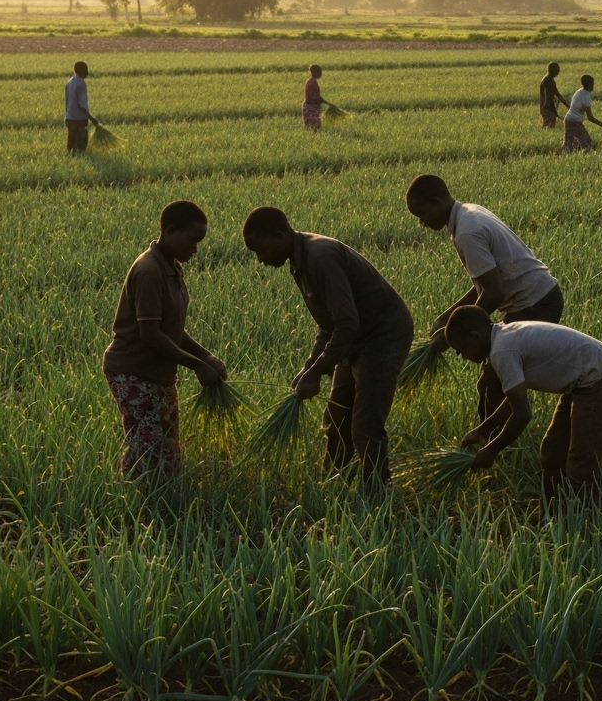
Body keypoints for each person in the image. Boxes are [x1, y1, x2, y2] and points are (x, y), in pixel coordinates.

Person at [242, 207, 413, 488]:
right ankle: (336, 483)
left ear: (279, 235)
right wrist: (309, 367)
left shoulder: (320, 257)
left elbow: (347, 324)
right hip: (355, 338)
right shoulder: (298, 262)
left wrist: (318, 370)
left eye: (260, 251)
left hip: (382, 336)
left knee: (365, 425)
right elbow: (328, 325)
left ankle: (377, 493)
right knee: (336, 417)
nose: (260, 260)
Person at [405, 174, 563, 419]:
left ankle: (492, 445)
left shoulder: (468, 231)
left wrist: (450, 336)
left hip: (534, 304)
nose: (421, 224)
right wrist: (445, 317)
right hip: (534, 299)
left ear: (436, 202)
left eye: (421, 215)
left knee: (493, 384)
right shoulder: (468, 213)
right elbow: (485, 283)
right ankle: (496, 440)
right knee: (495, 381)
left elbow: (493, 292)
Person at [444, 306, 602, 501]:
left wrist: (491, 451)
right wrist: (483, 430)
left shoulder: (502, 351)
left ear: (475, 336)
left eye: (461, 350)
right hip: (581, 384)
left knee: (583, 460)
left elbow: (522, 414)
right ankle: (555, 509)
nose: (463, 357)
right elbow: (513, 401)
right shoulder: (504, 335)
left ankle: (585, 519)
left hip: (600, 378)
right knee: (553, 452)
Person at [102, 201, 228, 478]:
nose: (196, 247)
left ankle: (162, 502)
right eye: (192, 240)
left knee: (165, 447)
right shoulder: (149, 271)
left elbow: (171, 330)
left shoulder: (171, 267)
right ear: (170, 231)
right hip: (133, 371)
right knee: (149, 448)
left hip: (159, 374)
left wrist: (206, 357)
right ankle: (141, 505)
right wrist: (197, 366)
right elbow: (150, 335)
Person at [562, 74, 602, 153]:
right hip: (574, 122)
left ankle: (563, 156)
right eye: (592, 84)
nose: (593, 86)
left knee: (569, 142)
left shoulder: (579, 91)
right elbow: (590, 117)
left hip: (568, 120)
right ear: (589, 85)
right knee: (586, 142)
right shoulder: (586, 96)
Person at [65, 60, 97, 153]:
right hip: (79, 120)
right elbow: (81, 104)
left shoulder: (69, 82)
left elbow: (67, 102)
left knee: (70, 146)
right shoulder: (81, 83)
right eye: (85, 70)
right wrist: (91, 118)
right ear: (80, 70)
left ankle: (71, 163)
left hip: (69, 118)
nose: (87, 72)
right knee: (80, 148)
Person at [539, 62, 570, 128]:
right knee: (548, 126)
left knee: (549, 126)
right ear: (551, 70)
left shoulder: (547, 79)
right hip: (547, 108)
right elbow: (557, 94)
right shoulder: (548, 80)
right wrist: (567, 105)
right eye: (557, 70)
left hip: (547, 108)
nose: (558, 72)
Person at [301, 64, 328, 130]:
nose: (321, 74)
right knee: (314, 127)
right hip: (310, 108)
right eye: (320, 72)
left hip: (311, 107)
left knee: (313, 127)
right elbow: (313, 96)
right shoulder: (312, 82)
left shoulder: (312, 81)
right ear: (316, 72)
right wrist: (323, 100)